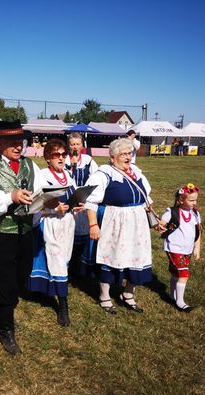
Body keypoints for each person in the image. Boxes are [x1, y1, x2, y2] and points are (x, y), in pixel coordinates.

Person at [0, 120, 51, 355]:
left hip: (25, 232)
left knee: (20, 275)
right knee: (5, 282)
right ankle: (5, 328)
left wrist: (51, 200)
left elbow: (41, 190)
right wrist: (11, 196)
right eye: (12, 143)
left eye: (20, 142)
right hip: (0, 233)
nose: (18, 147)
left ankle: (4, 308)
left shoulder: (30, 165)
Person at [84, 138, 154, 314]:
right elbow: (90, 202)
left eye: (129, 153)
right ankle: (104, 296)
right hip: (115, 223)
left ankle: (128, 294)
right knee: (111, 256)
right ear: (112, 156)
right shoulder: (103, 174)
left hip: (137, 224)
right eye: (123, 154)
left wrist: (154, 218)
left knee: (137, 256)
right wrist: (93, 225)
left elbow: (146, 198)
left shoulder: (136, 172)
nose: (128, 157)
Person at [29, 138, 84, 326]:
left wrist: (77, 205)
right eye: (56, 155)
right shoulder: (42, 176)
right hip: (50, 224)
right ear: (47, 158)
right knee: (58, 262)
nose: (61, 158)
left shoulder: (67, 175)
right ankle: (63, 306)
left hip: (67, 225)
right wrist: (53, 209)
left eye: (63, 154)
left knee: (62, 261)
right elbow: (35, 206)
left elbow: (72, 197)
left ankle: (47, 289)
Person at [159, 183, 202, 312]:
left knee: (176, 273)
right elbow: (162, 223)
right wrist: (160, 225)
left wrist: (197, 248)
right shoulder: (171, 212)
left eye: (196, 200)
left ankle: (173, 296)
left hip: (187, 249)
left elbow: (198, 232)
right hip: (174, 248)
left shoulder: (195, 214)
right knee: (183, 273)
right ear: (181, 200)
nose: (195, 203)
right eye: (191, 200)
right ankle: (180, 302)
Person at [65, 132, 99, 273]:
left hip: (85, 197)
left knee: (83, 232)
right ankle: (70, 264)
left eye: (77, 144)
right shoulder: (64, 159)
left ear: (82, 145)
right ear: (68, 146)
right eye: (72, 144)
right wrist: (72, 166)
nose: (75, 147)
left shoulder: (88, 160)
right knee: (70, 232)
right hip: (70, 197)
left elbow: (96, 177)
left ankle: (82, 264)